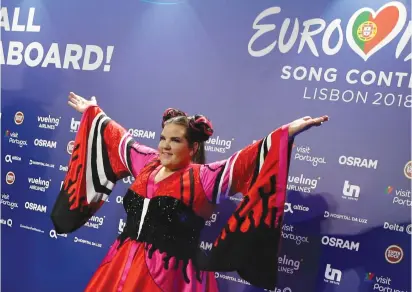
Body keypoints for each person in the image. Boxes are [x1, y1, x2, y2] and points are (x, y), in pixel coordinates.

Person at [51, 92, 328, 292]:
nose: (165, 146)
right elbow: (117, 138)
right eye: (162, 138)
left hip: (170, 279)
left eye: (175, 140)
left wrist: (286, 133)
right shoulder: (146, 163)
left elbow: (245, 161)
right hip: (119, 265)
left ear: (193, 148)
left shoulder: (203, 179)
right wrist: (93, 113)